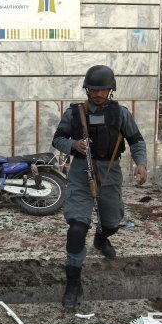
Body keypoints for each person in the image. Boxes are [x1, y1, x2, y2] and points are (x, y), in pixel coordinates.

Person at [52, 65, 148, 310]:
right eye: (94, 89)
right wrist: (73, 144)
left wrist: (141, 164)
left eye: (103, 89)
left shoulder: (120, 113)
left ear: (110, 90)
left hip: (110, 172)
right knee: (76, 228)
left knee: (112, 222)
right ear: (87, 89)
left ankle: (101, 238)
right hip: (80, 172)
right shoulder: (74, 113)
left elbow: (136, 140)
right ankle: (73, 284)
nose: (98, 94)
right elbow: (58, 139)